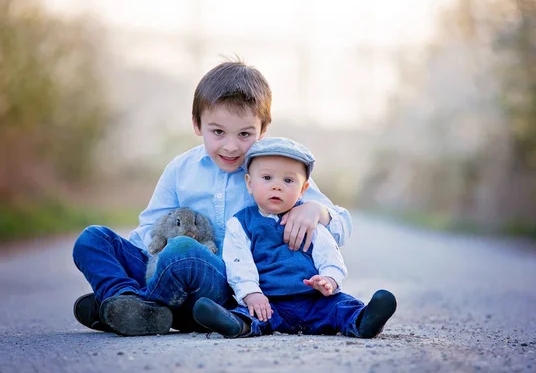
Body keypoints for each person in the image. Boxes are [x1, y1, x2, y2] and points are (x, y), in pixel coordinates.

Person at [72, 60, 353, 336]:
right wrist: (140, 262)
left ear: (263, 130)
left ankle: (133, 306)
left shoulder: (274, 171)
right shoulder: (180, 169)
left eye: (245, 134)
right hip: (168, 272)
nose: (231, 146)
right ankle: (126, 299)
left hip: (223, 285)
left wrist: (317, 211)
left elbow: (342, 225)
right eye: (218, 132)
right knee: (93, 239)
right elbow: (149, 230)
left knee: (182, 250)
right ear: (197, 124)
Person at [193, 137, 397, 338]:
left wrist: (329, 280)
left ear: (303, 189)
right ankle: (235, 325)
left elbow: (329, 255)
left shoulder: (308, 220)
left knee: (341, 306)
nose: (277, 186)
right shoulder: (241, 224)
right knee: (252, 313)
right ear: (249, 183)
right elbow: (238, 263)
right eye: (267, 178)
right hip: (269, 302)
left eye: (288, 180)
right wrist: (250, 293)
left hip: (313, 300)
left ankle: (364, 321)